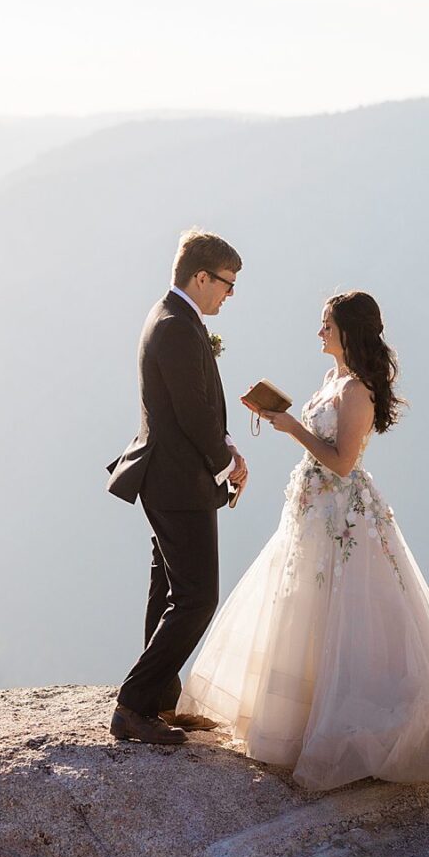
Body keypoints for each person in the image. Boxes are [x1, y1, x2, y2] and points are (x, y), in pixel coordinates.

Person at [176, 291, 429, 788]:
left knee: (344, 612)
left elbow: (342, 463)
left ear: (347, 331)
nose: (319, 332)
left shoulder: (357, 391)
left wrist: (292, 428)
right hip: (311, 513)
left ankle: (348, 733)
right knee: (302, 610)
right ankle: (295, 727)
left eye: (327, 325)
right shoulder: (331, 379)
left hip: (342, 518)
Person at [106, 228, 249, 745]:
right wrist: (228, 464)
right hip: (177, 482)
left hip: (167, 476)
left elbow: (195, 403)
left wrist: (226, 446)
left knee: (167, 587)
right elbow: (192, 413)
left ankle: (159, 701)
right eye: (227, 283)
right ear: (201, 277)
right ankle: (132, 705)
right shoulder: (176, 328)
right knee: (197, 598)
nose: (230, 294)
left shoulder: (171, 317)